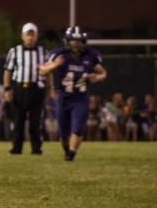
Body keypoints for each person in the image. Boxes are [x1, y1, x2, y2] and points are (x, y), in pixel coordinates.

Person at [39, 26, 107, 161]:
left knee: (77, 128)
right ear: (67, 41)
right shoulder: (59, 54)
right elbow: (41, 71)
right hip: (63, 97)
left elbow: (104, 73)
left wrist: (99, 77)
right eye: (73, 40)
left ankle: (71, 154)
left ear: (83, 41)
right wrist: (54, 65)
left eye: (79, 40)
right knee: (64, 133)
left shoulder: (90, 56)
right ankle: (67, 150)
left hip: (80, 98)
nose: (76, 43)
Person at [3, 22, 49, 155]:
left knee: (36, 121)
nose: (30, 37)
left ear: (36, 36)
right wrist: (7, 89)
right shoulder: (15, 51)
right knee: (18, 120)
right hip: (20, 88)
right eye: (28, 35)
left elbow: (49, 72)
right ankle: (16, 148)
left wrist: (50, 88)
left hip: (37, 88)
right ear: (22, 36)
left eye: (33, 35)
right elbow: (7, 71)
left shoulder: (43, 52)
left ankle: (36, 148)